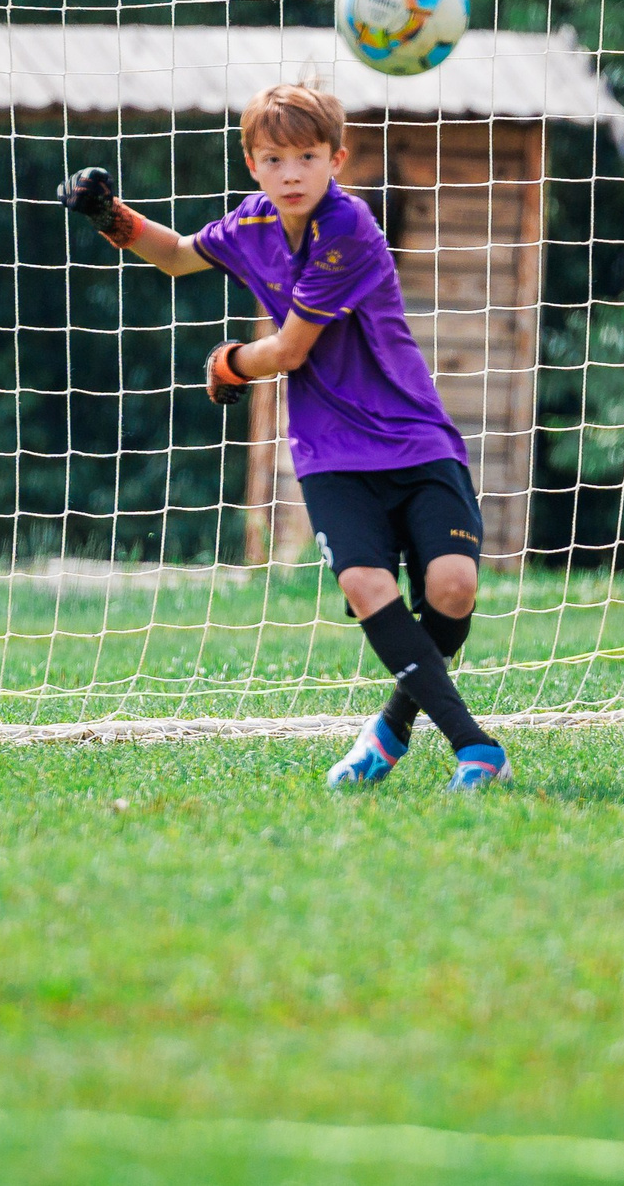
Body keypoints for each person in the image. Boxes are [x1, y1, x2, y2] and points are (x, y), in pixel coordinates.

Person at [59, 84, 508, 791]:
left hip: (415, 439)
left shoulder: (349, 227)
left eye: (306, 155)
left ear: (337, 157)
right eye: (275, 158)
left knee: (452, 587)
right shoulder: (252, 223)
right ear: (252, 164)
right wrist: (111, 218)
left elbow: (291, 349)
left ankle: (390, 728)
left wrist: (225, 362)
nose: (292, 172)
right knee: (365, 583)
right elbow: (177, 254)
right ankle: (477, 749)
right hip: (330, 451)